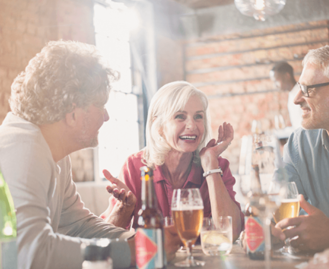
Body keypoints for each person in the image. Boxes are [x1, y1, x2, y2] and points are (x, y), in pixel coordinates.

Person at [0, 40, 181, 269]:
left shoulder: (52, 152)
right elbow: (28, 253)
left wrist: (137, 241)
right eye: (100, 104)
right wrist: (134, 252)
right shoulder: (22, 150)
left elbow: (78, 225)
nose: (106, 116)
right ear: (73, 112)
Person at [103, 81, 243, 241]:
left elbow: (231, 233)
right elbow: (107, 240)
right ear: (159, 126)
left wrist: (211, 165)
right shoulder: (135, 166)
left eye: (198, 116)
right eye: (180, 117)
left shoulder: (218, 166)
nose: (192, 125)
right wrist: (124, 208)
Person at [272, 44, 329, 253]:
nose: (296, 99)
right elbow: (276, 203)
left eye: (307, 89)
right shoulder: (298, 144)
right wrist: (261, 220)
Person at [270, 61, 302, 129]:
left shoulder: (301, 93)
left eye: (276, 81)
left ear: (287, 76)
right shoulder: (292, 94)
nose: (275, 85)